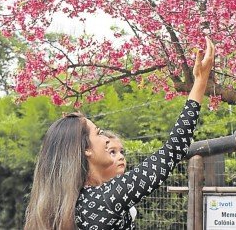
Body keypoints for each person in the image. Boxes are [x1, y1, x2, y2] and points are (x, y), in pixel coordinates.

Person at [24, 37, 216, 230]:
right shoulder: (105, 200)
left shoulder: (64, 209)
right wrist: (200, 81)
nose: (106, 139)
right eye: (98, 134)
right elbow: (173, 150)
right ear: (86, 150)